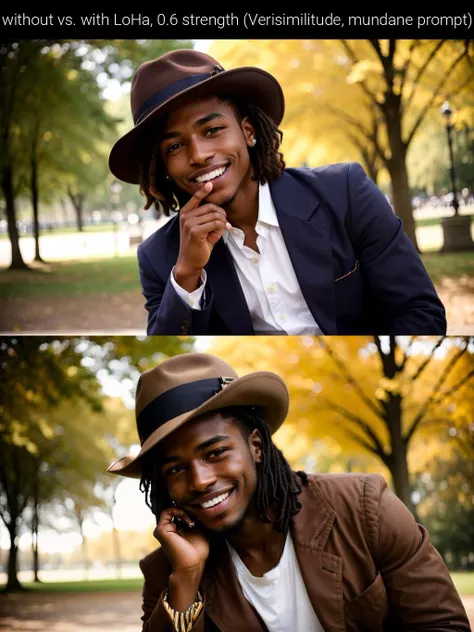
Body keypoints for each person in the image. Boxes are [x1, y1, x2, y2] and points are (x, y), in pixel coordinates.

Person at [107, 352, 470, 632]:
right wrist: (187, 576)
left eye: (215, 453)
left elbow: (443, 625)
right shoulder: (167, 571)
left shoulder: (363, 508)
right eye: (175, 469)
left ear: (256, 446)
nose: (199, 480)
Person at [108, 49, 447, 336]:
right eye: (175, 146)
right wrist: (187, 275)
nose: (198, 155)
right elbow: (174, 352)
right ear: (162, 167)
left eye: (212, 130)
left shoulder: (345, 192)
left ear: (249, 131)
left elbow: (419, 313)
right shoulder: (160, 258)